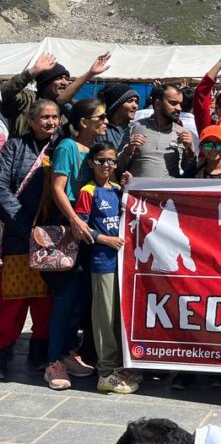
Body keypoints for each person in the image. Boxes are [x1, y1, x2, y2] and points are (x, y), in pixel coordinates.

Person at [45, 99, 108, 390]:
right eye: (100, 117)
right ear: (84, 122)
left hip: (89, 232)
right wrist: (74, 220)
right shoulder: (68, 147)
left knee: (82, 299)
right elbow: (58, 188)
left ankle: (69, 352)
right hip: (71, 229)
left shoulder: (94, 152)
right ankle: (53, 361)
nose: (106, 122)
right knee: (64, 299)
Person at [0, 100, 60, 380]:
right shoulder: (14, 147)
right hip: (18, 236)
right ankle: (3, 350)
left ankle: (40, 352)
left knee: (45, 299)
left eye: (55, 117)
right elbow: (1, 187)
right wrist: (25, 226)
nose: (50, 122)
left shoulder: (63, 146)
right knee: (12, 298)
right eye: (45, 117)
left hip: (54, 238)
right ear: (32, 120)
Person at [75, 142, 139, 394]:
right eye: (101, 161)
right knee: (103, 317)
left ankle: (116, 366)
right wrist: (104, 239)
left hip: (123, 264)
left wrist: (130, 188)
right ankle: (104, 373)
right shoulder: (88, 191)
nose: (106, 166)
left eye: (111, 161)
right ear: (91, 163)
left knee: (116, 317)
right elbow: (79, 228)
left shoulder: (116, 190)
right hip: (102, 262)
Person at [0, 51, 111, 137]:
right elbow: (4, 92)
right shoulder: (27, 99)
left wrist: (90, 73)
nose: (64, 82)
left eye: (66, 78)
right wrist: (31, 72)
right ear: (46, 82)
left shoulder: (69, 107)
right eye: (59, 78)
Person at [119, 85, 196, 178]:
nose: (179, 108)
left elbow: (189, 171)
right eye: (173, 103)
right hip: (138, 191)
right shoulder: (134, 128)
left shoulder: (182, 133)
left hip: (168, 191)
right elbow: (117, 168)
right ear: (158, 104)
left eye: (180, 104)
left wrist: (190, 149)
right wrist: (128, 151)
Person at [98, 83, 140, 149]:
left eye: (136, 101)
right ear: (116, 105)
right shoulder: (101, 131)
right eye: (130, 101)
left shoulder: (136, 129)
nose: (135, 106)